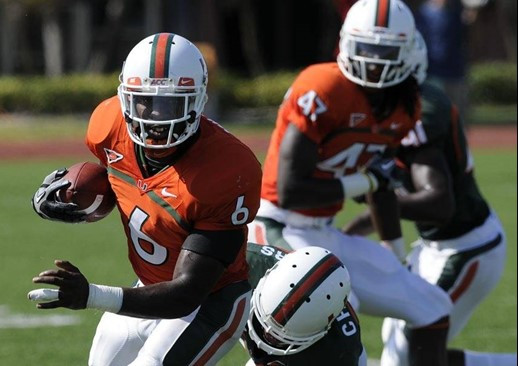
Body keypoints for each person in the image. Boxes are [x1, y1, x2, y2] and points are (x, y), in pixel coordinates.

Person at [28, 32, 262, 366]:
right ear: (125, 97)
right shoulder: (108, 125)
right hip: (150, 287)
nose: (155, 117)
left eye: (169, 102)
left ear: (197, 100)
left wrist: (92, 295)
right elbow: (122, 181)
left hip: (209, 303)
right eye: (145, 101)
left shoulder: (228, 169)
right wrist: (67, 196)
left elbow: (187, 291)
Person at [246, 1, 454, 365]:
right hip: (277, 222)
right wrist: (365, 182)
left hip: (323, 232)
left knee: (432, 306)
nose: (374, 60)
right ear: (345, 43)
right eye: (365, 48)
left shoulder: (405, 107)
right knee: (331, 312)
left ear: (406, 52)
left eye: (384, 51)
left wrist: (396, 252)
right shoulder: (323, 84)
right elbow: (292, 189)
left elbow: (383, 184)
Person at [344, 31, 517, 366]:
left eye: (383, 56)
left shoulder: (421, 110)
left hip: (465, 247)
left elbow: (438, 203)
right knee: (404, 346)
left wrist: (370, 194)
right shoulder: (389, 108)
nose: (374, 68)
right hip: (436, 245)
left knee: (408, 352)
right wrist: (354, 229)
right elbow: (390, 195)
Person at [242, 243, 365, 366]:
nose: (268, 336)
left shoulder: (338, 351)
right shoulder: (249, 262)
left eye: (283, 338)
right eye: (266, 322)